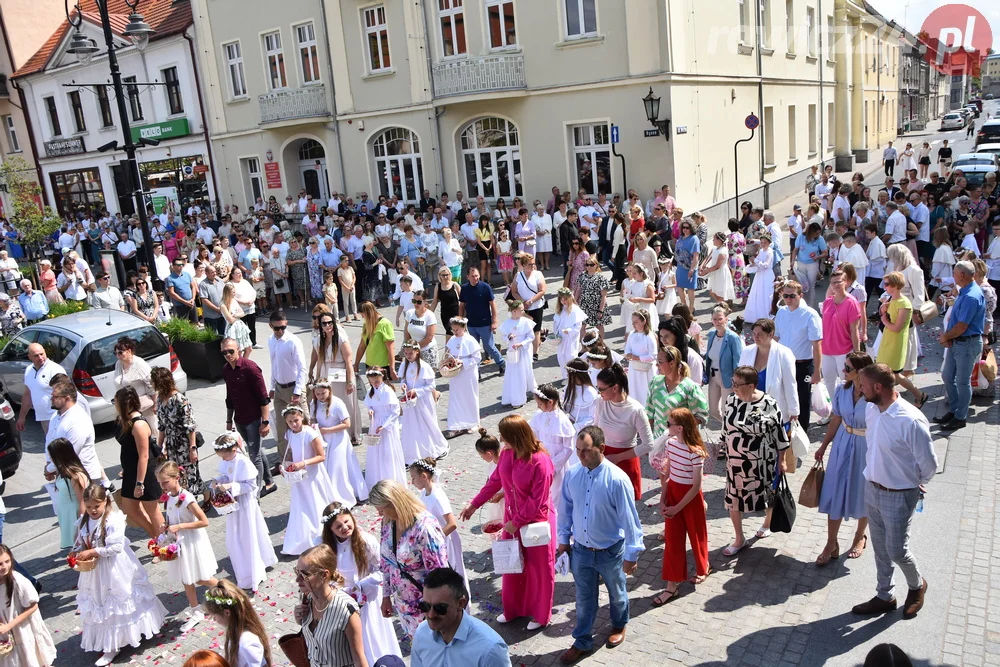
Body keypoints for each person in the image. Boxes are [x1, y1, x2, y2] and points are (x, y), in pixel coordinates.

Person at [851, 363, 937, 619]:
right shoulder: (871, 409)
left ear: (878, 387)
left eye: (862, 385)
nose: (859, 389)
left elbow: (929, 464)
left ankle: (916, 585)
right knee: (880, 547)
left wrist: (916, 482)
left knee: (897, 550)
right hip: (872, 488)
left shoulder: (910, 420)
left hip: (899, 494)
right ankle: (884, 596)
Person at [554, 425, 643, 663]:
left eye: (585, 451)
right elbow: (565, 511)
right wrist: (563, 541)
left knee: (617, 594)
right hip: (581, 551)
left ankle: (619, 625)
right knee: (584, 599)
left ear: (601, 448)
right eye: (577, 450)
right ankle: (582, 641)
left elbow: (629, 518)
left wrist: (632, 554)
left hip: (610, 551)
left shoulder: (617, 479)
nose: (580, 455)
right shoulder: (573, 474)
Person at [460, 416, 556, 631]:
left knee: (540, 570)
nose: (501, 439)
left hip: (535, 522)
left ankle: (541, 615)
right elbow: (496, 481)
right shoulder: (506, 453)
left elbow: (537, 498)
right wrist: (474, 504)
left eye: (504, 435)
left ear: (516, 436)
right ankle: (514, 609)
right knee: (512, 566)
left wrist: (518, 521)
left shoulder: (541, 460)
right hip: (512, 520)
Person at [71, 483, 167, 667]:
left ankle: (117, 643)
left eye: (96, 506)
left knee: (119, 598)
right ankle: (110, 643)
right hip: (95, 571)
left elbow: (116, 547)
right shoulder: (85, 519)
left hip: (114, 568)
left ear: (105, 501)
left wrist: (93, 552)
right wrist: (78, 550)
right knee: (100, 601)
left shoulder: (113, 519)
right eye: (89, 506)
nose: (92, 510)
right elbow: (81, 540)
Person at [321, 503, 402, 664]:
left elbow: (383, 568)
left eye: (346, 521)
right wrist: (338, 591)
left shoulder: (366, 540)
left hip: (368, 596)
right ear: (330, 529)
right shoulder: (325, 547)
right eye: (338, 526)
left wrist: (363, 586)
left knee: (373, 635)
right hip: (342, 599)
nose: (345, 527)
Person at [721, 366, 790, 557]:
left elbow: (780, 435)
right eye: (732, 382)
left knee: (767, 496)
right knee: (733, 499)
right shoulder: (731, 400)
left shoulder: (768, 403)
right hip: (735, 462)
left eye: (737, 384)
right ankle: (739, 538)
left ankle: (767, 523)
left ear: (751, 386)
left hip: (762, 463)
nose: (733, 386)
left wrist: (782, 461)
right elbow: (725, 430)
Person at [814, 351, 874, 566]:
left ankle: (860, 536)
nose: (843, 370)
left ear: (860, 372)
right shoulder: (842, 389)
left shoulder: (874, 395)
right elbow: (836, 419)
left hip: (865, 447)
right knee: (834, 490)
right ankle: (831, 542)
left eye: (848, 368)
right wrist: (823, 445)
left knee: (863, 491)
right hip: (842, 443)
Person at [370, 480, 449, 639]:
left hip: (427, 607)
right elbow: (386, 563)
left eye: (382, 510)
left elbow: (439, 574)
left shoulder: (424, 527)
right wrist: (386, 596)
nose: (380, 515)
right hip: (404, 606)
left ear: (394, 504)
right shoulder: (387, 522)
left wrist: (434, 610)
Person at [649, 408, 709, 606]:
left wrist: (676, 507)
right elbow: (667, 472)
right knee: (673, 541)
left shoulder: (696, 452)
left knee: (696, 534)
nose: (667, 427)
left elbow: (696, 486)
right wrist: (664, 498)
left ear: (680, 428)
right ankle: (671, 587)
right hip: (674, 492)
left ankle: (703, 566)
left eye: (670, 424)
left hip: (690, 498)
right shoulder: (670, 444)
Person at [154, 460, 219, 633]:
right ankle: (196, 611)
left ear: (176, 478)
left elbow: (204, 521)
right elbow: (170, 519)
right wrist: (165, 526)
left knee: (199, 578)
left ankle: (227, 590)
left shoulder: (187, 499)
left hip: (191, 542)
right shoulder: (168, 499)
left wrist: (181, 526)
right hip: (179, 543)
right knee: (186, 578)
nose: (163, 486)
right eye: (160, 483)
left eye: (165, 482)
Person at [411, 567, 511, 667]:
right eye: (426, 606)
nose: (431, 614)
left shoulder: (490, 650)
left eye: (440, 608)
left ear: (460, 604)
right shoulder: (422, 633)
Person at [292, 545, 368, 667]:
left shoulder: (346, 610)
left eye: (305, 575)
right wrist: (299, 620)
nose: (297, 579)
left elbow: (359, 658)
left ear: (324, 575)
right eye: (297, 571)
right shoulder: (307, 598)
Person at [221, 339, 276, 497]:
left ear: (238, 349)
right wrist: (228, 420)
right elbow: (229, 397)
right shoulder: (226, 370)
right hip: (239, 419)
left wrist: (265, 421)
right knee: (256, 451)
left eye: (231, 351)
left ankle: (255, 492)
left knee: (254, 456)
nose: (228, 355)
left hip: (254, 418)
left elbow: (263, 397)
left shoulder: (250, 368)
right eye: (224, 352)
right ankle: (270, 482)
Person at [936, 261, 986, 431]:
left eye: (955, 273)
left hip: (966, 344)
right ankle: (954, 410)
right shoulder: (965, 291)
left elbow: (962, 326)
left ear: (962, 275)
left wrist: (945, 336)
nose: (953, 276)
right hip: (957, 342)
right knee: (947, 376)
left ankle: (960, 416)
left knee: (963, 382)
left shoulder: (971, 296)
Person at [592, 364, 654, 501]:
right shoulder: (600, 402)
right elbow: (596, 428)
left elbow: (649, 444)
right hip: (604, 459)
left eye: (601, 389)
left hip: (626, 461)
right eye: (598, 388)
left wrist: (618, 457)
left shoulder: (636, 410)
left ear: (615, 388)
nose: (599, 393)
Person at [280, 404, 336, 556]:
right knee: (302, 504)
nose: (293, 424)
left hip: (312, 474)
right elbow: (291, 452)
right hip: (299, 475)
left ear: (302, 417)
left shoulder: (310, 433)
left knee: (315, 501)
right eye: (290, 422)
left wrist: (303, 463)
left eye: (296, 420)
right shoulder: (289, 433)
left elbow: (321, 456)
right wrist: (286, 465)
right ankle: (304, 535)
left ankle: (322, 533)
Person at [113, 386, 164, 540]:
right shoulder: (125, 421)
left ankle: (167, 543)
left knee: (152, 510)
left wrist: (140, 483)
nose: (114, 405)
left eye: (115, 402)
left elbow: (144, 456)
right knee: (129, 508)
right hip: (130, 471)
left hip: (144, 473)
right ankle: (155, 535)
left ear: (124, 404)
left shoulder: (139, 424)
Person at [409, 459, 468, 590]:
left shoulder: (437, 496)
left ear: (423, 476)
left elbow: (452, 524)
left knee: (454, 572)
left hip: (446, 540)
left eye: (413, 478)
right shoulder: (424, 493)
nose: (412, 482)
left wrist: (435, 539)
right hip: (437, 540)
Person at [774, 280, 823, 431]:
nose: (788, 299)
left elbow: (817, 345)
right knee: (782, 396)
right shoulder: (782, 311)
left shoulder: (810, 315)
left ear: (801, 295)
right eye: (785, 295)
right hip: (782, 362)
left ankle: (801, 432)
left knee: (802, 399)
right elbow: (776, 338)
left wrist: (816, 371)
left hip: (802, 364)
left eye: (792, 296)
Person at [151, 367, 205, 499]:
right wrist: (160, 447)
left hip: (184, 445)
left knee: (189, 476)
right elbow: (162, 426)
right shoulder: (160, 399)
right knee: (176, 475)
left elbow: (190, 427)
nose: (152, 385)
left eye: (154, 382)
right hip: (171, 445)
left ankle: (194, 501)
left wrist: (192, 448)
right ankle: (187, 501)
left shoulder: (180, 400)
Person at [0, 544, 56, 667]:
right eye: (0, 564)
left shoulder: (18, 580)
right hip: (5, 633)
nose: (4, 566)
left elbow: (33, 606)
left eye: (7, 561)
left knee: (32, 659)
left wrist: (9, 626)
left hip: (22, 629)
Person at [876, 272, 927, 406]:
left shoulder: (904, 303)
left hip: (896, 342)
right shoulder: (891, 299)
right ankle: (891, 398)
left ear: (895, 285)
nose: (884, 287)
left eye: (886, 284)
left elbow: (897, 327)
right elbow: (886, 316)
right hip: (887, 339)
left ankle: (918, 395)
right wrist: (883, 308)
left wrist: (883, 318)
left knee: (895, 374)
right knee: (887, 372)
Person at [310, 312, 361, 445]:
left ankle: (352, 433)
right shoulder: (318, 340)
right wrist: (317, 379)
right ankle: (330, 429)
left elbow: (349, 361)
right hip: (325, 372)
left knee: (345, 402)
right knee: (327, 402)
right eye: (324, 323)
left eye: (329, 322)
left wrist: (350, 381)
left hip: (340, 371)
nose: (327, 326)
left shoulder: (340, 339)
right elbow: (319, 361)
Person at [268, 310, 309, 467]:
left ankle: (308, 456)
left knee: (302, 424)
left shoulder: (293, 341)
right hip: (279, 388)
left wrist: (298, 392)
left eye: (283, 327)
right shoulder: (271, 340)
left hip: (294, 388)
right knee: (280, 427)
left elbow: (302, 368)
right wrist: (272, 387)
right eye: (277, 328)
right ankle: (285, 460)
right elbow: (274, 365)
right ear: (270, 326)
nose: (280, 331)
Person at [738, 319, 799, 425]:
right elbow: (739, 379)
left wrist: (793, 411)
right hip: (750, 407)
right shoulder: (747, 351)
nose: (756, 337)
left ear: (771, 334)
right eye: (754, 334)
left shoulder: (784, 353)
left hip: (774, 409)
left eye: (760, 334)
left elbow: (790, 384)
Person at [397, 341, 449, 461]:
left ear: (417, 352)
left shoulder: (424, 366)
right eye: (406, 353)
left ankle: (434, 447)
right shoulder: (404, 365)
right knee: (411, 425)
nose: (408, 356)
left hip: (423, 401)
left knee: (427, 424)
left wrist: (416, 391)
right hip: (411, 401)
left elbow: (431, 386)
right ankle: (413, 451)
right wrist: (404, 385)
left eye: (410, 353)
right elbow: (403, 380)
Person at [203, 580, 272, 667]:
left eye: (214, 615)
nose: (214, 619)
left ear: (227, 612)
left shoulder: (247, 643)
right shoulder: (235, 629)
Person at [820, 269, 864, 403]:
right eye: (833, 283)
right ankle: (834, 410)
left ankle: (847, 410)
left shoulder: (852, 302)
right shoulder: (828, 301)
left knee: (847, 382)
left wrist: (856, 353)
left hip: (844, 349)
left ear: (845, 282)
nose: (836, 285)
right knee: (829, 381)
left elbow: (854, 330)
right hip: (827, 349)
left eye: (839, 282)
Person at [362, 367, 407, 487]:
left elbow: (395, 411)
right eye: (371, 382)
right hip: (376, 422)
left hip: (386, 424)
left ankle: (390, 476)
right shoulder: (371, 391)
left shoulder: (387, 391)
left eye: (376, 381)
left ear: (381, 378)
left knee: (388, 450)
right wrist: (370, 411)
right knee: (376, 451)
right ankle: (377, 476)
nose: (374, 384)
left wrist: (385, 425)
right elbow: (370, 405)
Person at [704, 305, 745, 431]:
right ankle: (726, 428)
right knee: (713, 410)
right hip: (713, 376)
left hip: (727, 377)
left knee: (727, 408)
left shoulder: (733, 338)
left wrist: (736, 380)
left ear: (726, 320)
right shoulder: (711, 335)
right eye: (714, 319)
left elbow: (737, 361)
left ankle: (728, 432)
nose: (717, 322)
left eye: (720, 319)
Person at [458, 267, 505, 372]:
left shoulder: (485, 287)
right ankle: (476, 370)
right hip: (471, 324)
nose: (475, 278)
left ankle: (501, 362)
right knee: (474, 349)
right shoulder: (464, 288)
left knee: (489, 346)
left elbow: (492, 304)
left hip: (485, 323)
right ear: (468, 277)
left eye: (477, 276)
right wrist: (460, 320)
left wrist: (494, 321)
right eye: (473, 276)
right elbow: (462, 305)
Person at [16, 343, 66, 436]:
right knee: (51, 447)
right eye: (36, 355)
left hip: (57, 417)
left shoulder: (55, 370)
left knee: (61, 447)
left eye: (41, 354)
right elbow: (28, 395)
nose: (40, 357)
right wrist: (21, 417)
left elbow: (66, 394)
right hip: (43, 418)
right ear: (29, 357)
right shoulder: (29, 370)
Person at [444, 317, 481, 437]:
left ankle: (473, 422)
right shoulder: (453, 340)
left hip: (468, 373)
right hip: (456, 373)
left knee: (469, 396)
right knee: (455, 397)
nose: (455, 332)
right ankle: (455, 425)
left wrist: (463, 362)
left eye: (457, 330)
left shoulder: (470, 340)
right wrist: (450, 361)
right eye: (453, 329)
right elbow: (449, 353)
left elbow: (477, 358)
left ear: (464, 328)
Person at [498, 300, 537, 408]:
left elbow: (531, 337)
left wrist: (522, 344)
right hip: (513, 351)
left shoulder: (525, 321)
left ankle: (526, 392)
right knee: (514, 374)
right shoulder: (507, 323)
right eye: (521, 310)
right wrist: (508, 337)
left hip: (523, 351)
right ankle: (514, 397)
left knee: (525, 371)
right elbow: (503, 337)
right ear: (514, 311)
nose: (523, 311)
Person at [113, 336, 157, 431]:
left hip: (143, 406)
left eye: (120, 353)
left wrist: (155, 405)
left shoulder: (139, 364)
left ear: (129, 351)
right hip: (127, 407)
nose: (118, 356)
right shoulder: (119, 364)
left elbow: (152, 385)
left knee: (151, 430)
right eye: (115, 353)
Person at [511, 254, 546, 360]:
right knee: (525, 328)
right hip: (523, 308)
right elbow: (514, 291)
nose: (532, 266)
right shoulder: (518, 276)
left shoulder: (538, 274)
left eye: (533, 264)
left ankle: (535, 353)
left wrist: (531, 300)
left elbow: (542, 290)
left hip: (536, 305)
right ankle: (525, 348)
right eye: (529, 264)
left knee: (536, 329)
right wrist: (522, 302)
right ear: (523, 264)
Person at [623, 309, 658, 407]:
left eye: (636, 322)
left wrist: (638, 357)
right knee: (635, 389)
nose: (633, 325)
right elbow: (627, 349)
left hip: (646, 370)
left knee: (645, 390)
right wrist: (628, 354)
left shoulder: (649, 336)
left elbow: (653, 355)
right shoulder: (631, 334)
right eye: (632, 322)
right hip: (634, 369)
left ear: (644, 321)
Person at [356, 301, 398, 380]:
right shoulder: (366, 324)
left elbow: (391, 349)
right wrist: (356, 364)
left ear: (368, 313)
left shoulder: (385, 324)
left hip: (382, 366)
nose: (362, 317)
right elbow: (362, 346)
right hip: (369, 365)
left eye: (363, 315)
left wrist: (392, 369)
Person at [553, 289, 588, 378]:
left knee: (570, 356)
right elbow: (556, 322)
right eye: (561, 300)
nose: (563, 302)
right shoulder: (560, 310)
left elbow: (578, 326)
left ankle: (573, 375)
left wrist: (569, 330)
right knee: (561, 357)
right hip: (561, 337)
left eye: (565, 299)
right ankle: (565, 376)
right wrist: (556, 332)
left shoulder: (575, 310)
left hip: (570, 338)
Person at [576, 257, 612, 338]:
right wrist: (575, 303)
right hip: (584, 305)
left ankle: (600, 344)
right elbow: (578, 290)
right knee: (582, 326)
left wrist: (601, 310)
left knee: (599, 326)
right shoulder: (582, 276)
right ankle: (584, 346)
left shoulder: (601, 278)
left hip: (597, 305)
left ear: (596, 265)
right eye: (587, 265)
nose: (589, 267)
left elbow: (604, 296)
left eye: (591, 265)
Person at [403, 290, 439, 367]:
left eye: (419, 302)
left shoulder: (430, 315)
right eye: (414, 301)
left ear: (424, 301)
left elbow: (429, 337)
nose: (416, 304)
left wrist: (415, 348)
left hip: (427, 350)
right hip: (413, 351)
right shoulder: (409, 313)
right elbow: (406, 332)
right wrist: (409, 347)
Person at [674, 219, 700, 310]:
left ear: (691, 228)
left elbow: (696, 255)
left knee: (690, 288)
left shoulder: (694, 239)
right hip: (680, 266)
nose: (685, 229)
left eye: (687, 228)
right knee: (680, 286)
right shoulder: (680, 238)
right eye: (683, 227)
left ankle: (691, 307)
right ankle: (684, 305)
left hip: (690, 267)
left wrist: (692, 269)